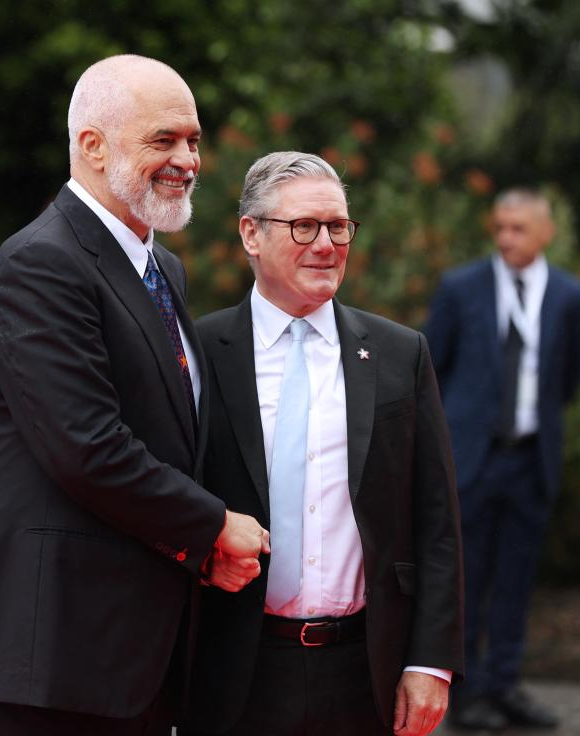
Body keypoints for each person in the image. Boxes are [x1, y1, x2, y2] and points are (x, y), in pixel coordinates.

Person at [0, 54, 269, 736]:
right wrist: (211, 526)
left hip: (127, 656)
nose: (187, 160)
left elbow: (168, 440)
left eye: (193, 140)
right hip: (46, 660)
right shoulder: (40, 263)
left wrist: (197, 548)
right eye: (163, 140)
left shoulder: (159, 266)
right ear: (92, 145)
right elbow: (86, 448)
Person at [181, 151, 464, 736]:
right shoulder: (198, 352)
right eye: (304, 226)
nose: (326, 245)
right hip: (233, 667)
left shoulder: (399, 353)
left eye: (337, 226)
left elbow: (436, 518)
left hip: (366, 668)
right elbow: (164, 493)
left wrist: (430, 662)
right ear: (251, 234)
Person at [424, 189, 580, 730]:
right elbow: (431, 366)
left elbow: (569, 376)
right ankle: (465, 693)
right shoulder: (461, 287)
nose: (505, 238)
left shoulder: (570, 296)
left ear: (546, 232)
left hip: (531, 460)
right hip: (472, 459)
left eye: (518, 228)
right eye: (499, 227)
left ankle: (505, 684)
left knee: (517, 580)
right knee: (466, 579)